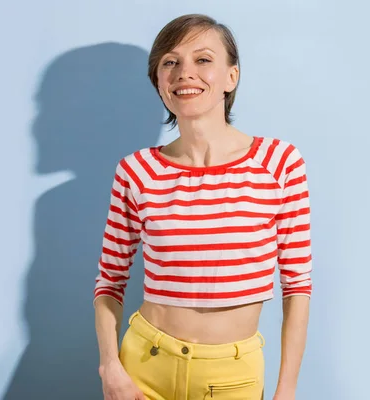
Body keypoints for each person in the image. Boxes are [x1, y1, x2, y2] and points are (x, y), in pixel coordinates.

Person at [93, 14, 312, 400]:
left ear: (232, 76)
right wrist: (110, 367)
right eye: (170, 62)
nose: (184, 73)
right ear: (159, 82)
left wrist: (287, 390)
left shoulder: (279, 163)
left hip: (231, 377)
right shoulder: (136, 171)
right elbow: (109, 281)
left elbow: (297, 285)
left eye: (204, 59)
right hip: (143, 366)